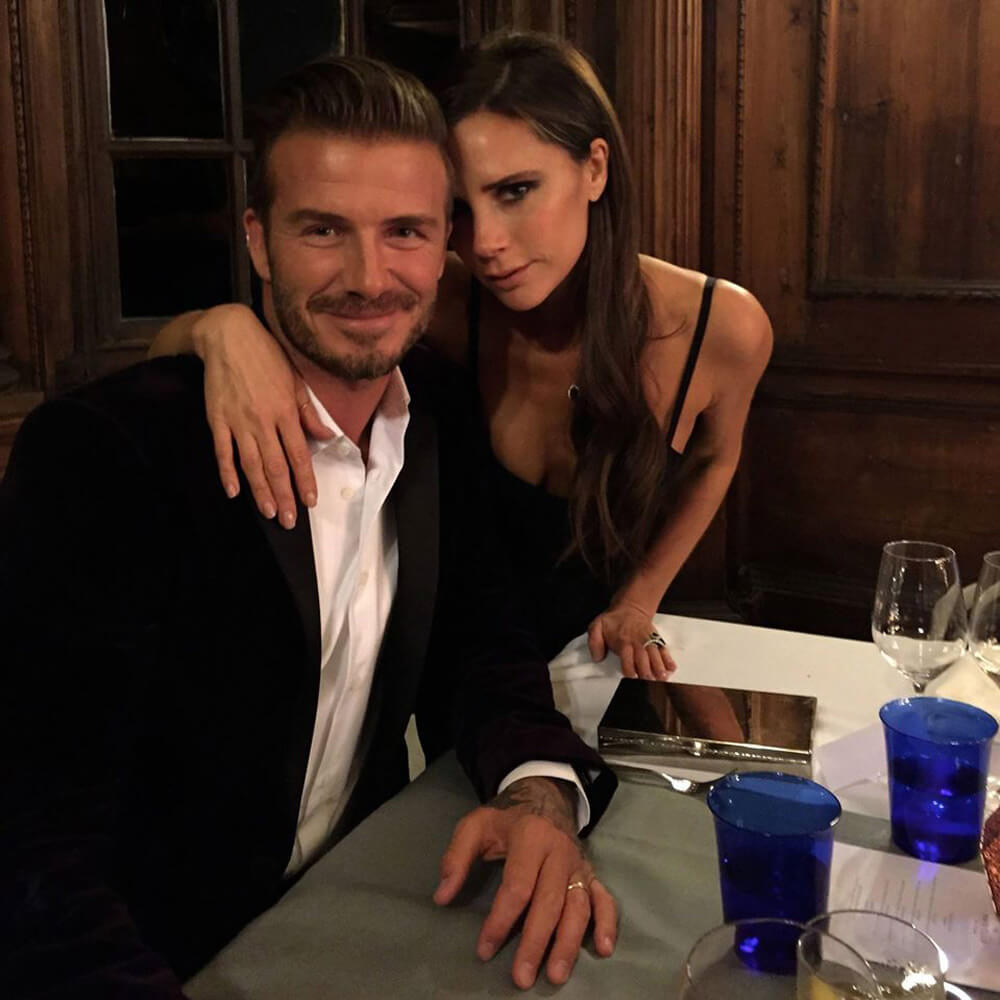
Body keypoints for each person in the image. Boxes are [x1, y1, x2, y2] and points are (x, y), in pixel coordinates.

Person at [0, 56, 618, 998]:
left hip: (359, 910)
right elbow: (36, 837)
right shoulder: (109, 454)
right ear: (259, 240)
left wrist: (539, 796)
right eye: (323, 229)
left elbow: (484, 648)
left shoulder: (440, 413)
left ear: (443, 246)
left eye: (405, 231)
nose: (370, 278)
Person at [151, 31, 772, 678]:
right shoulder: (437, 297)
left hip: (596, 659)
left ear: (594, 168)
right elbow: (166, 359)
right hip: (454, 666)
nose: (486, 244)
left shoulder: (719, 326)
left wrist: (639, 599)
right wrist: (220, 328)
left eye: (515, 191)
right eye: (460, 210)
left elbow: (716, 457)